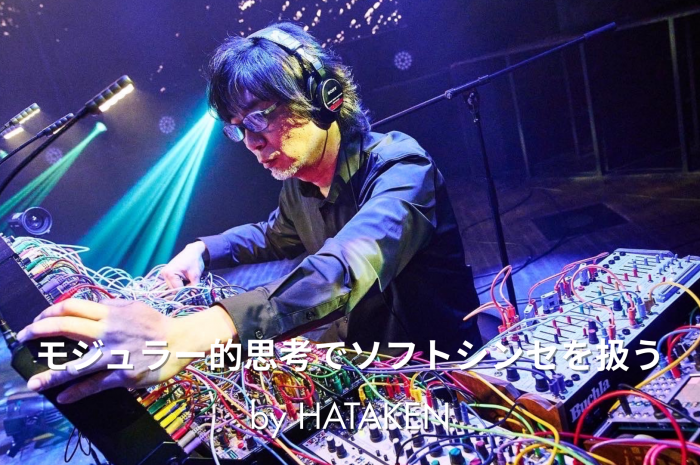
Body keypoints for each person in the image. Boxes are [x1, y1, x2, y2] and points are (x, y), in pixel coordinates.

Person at [17, 22, 481, 404]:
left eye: (261, 116)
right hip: (364, 376)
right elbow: (272, 234)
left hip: (442, 380)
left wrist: (191, 333)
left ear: (324, 97)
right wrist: (201, 250)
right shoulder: (300, 185)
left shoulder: (403, 168)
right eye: (239, 128)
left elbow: (344, 267)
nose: (253, 142)